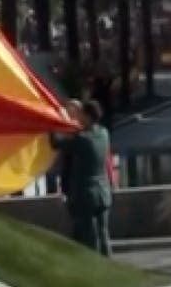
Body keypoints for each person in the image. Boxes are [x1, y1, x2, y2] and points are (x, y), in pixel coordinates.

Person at [51, 99, 113, 256]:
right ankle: (109, 266)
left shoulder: (82, 140)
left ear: (87, 116)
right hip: (103, 193)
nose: (79, 118)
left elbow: (56, 143)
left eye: (81, 114)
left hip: (86, 196)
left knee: (89, 237)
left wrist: (51, 121)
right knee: (103, 233)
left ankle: (96, 270)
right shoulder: (104, 133)